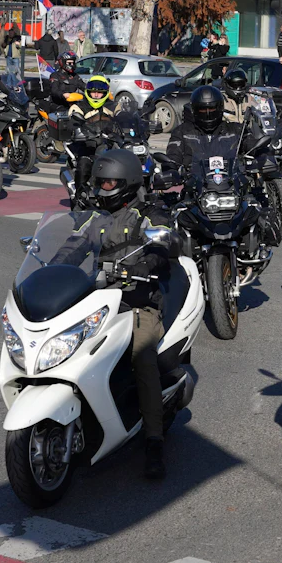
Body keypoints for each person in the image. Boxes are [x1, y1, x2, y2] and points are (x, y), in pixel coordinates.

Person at [75, 148, 178, 479]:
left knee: (142, 355)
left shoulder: (148, 215)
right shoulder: (95, 217)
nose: (103, 188)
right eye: (100, 183)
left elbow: (163, 247)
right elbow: (70, 246)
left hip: (138, 303)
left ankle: (153, 441)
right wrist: (49, 267)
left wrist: (146, 264)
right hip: (98, 302)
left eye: (109, 184)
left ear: (128, 183)